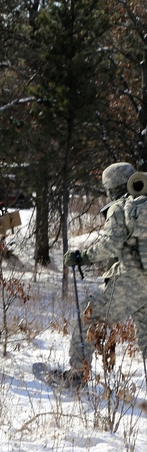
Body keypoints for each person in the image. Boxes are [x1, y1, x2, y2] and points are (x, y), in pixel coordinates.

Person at [57, 162, 147, 388]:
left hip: (132, 280)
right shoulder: (141, 205)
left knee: (88, 315)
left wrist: (82, 257)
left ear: (111, 186)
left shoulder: (120, 207)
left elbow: (110, 244)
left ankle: (77, 375)